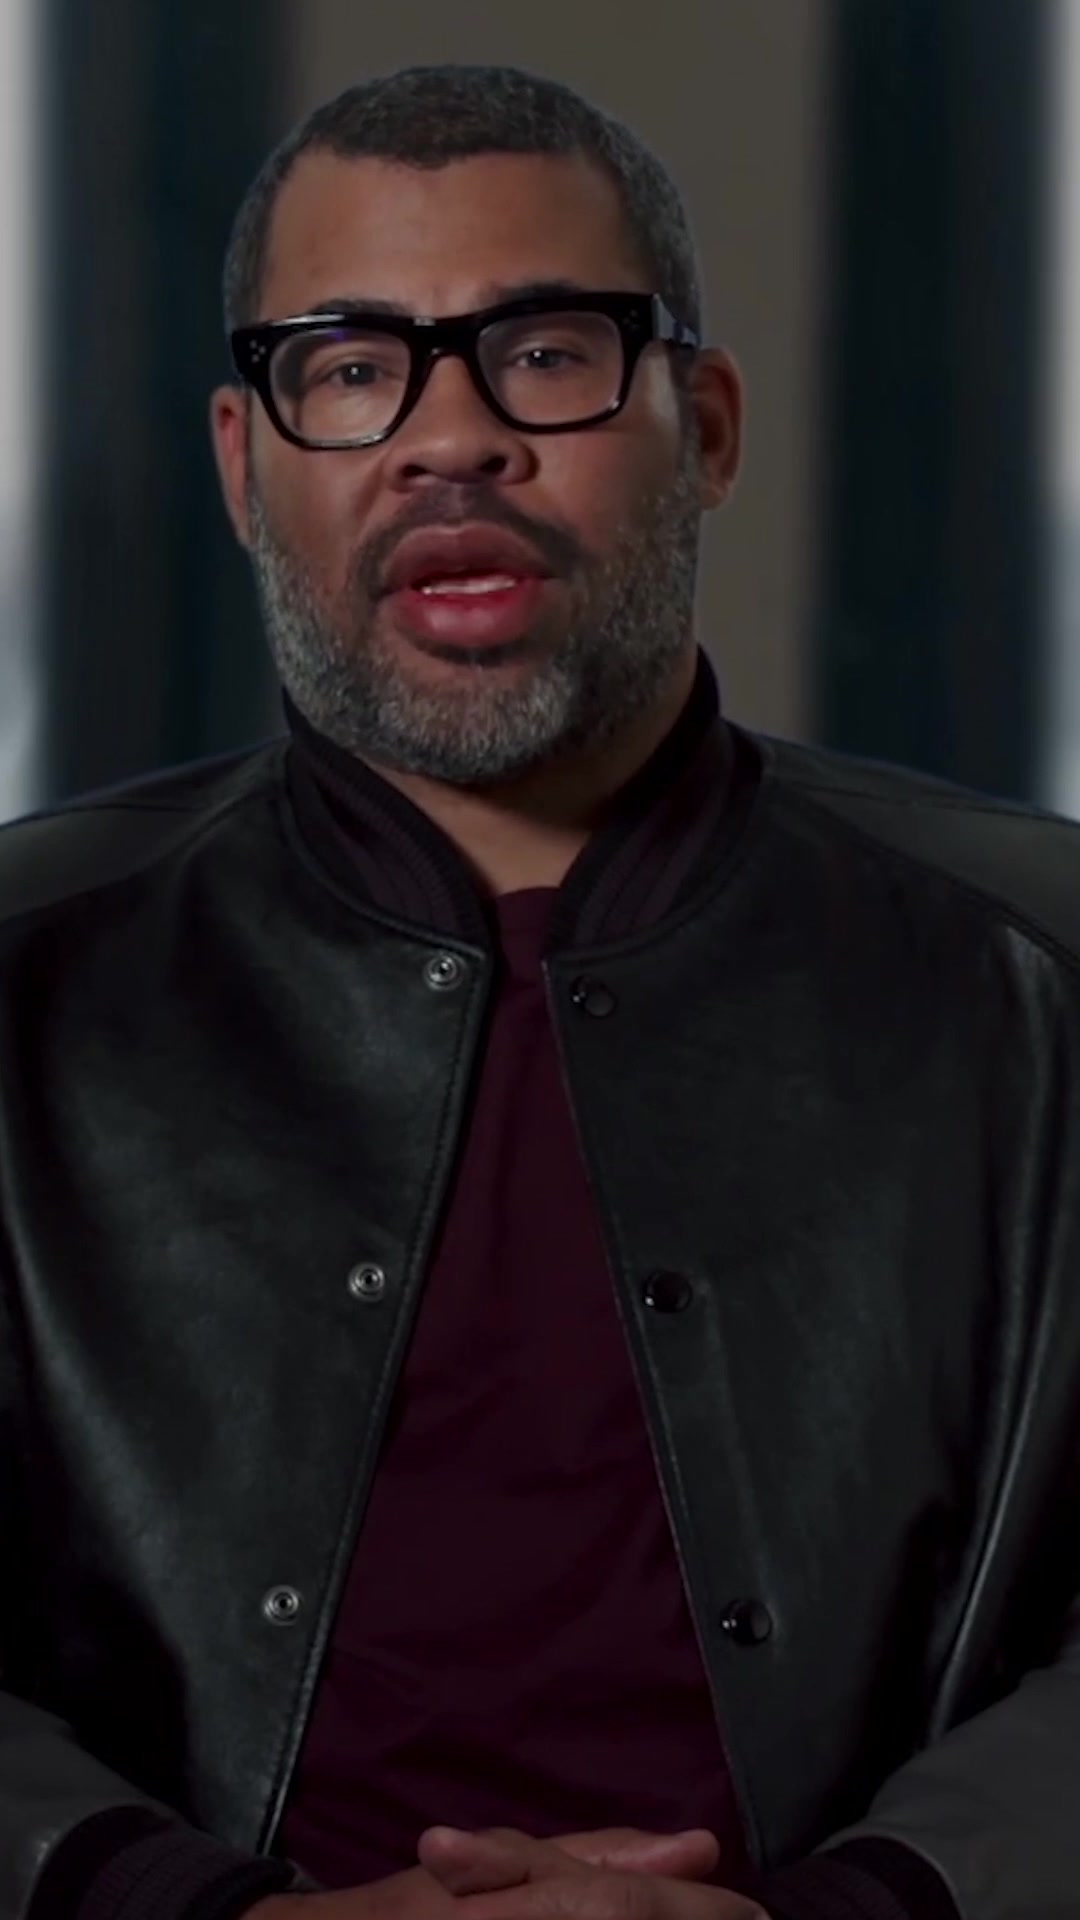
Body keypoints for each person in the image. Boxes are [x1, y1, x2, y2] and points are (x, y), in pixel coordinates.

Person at [1, 58, 1078, 1920]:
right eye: (351, 365)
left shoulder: (1045, 970)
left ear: (707, 428)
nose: (452, 441)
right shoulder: (23, 982)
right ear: (246, 468)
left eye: (548, 351)